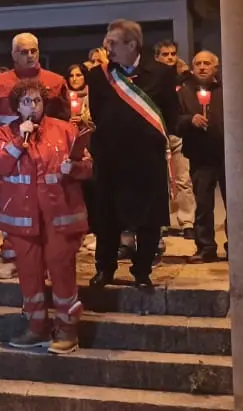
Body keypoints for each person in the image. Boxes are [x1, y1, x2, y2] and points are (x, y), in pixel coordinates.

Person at [0, 79, 93, 355]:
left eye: (37, 101)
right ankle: (36, 327)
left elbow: (87, 167)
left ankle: (67, 329)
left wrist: (73, 167)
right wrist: (18, 141)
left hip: (59, 218)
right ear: (17, 106)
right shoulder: (4, 133)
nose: (33, 107)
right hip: (23, 221)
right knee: (29, 276)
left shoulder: (64, 130)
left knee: (62, 274)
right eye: (26, 101)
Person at [81, 20, 179, 289]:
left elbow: (170, 115)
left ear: (132, 44)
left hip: (147, 160)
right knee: (107, 218)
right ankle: (105, 268)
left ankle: (143, 270)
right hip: (111, 160)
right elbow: (99, 116)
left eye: (112, 43)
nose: (106, 47)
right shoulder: (99, 76)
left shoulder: (161, 74)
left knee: (148, 219)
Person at [176, 51, 225, 262]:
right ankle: (206, 247)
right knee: (204, 204)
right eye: (198, 64)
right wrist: (189, 120)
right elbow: (174, 122)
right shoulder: (184, 93)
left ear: (216, 67)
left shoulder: (226, 89)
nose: (202, 67)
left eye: (207, 63)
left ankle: (237, 245)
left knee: (234, 203)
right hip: (200, 156)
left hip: (227, 155)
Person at [153, 44, 195, 240]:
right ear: (157, 57)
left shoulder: (185, 78)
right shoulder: (152, 79)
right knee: (159, 180)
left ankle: (187, 222)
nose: (169, 57)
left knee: (183, 179)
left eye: (172, 54)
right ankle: (160, 222)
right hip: (157, 132)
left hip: (178, 133)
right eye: (165, 54)